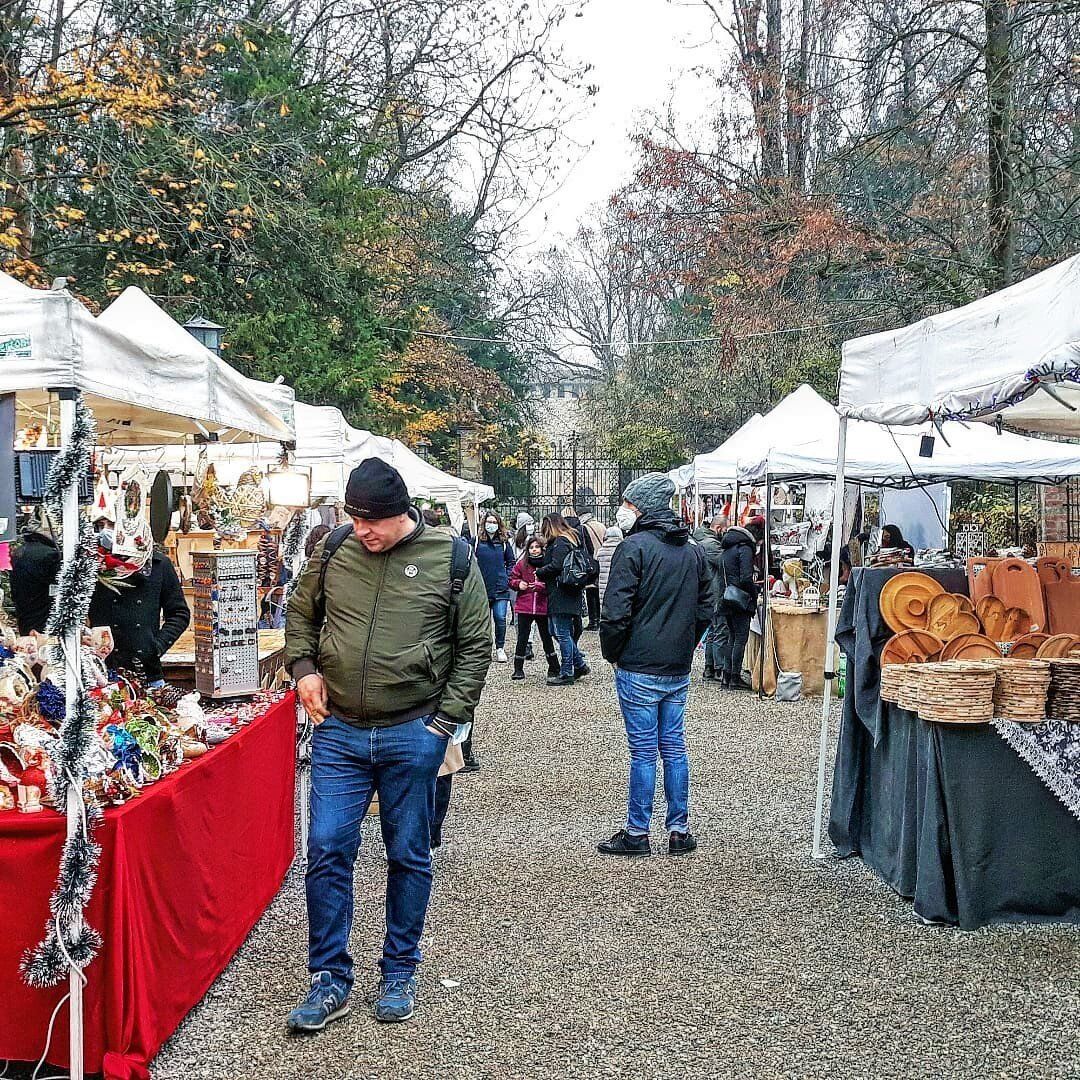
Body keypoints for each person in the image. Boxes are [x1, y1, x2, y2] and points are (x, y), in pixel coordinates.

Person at [283, 458, 490, 1032]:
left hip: (413, 730)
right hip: (340, 730)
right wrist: (304, 669)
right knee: (326, 848)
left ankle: (400, 970)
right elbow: (300, 615)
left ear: (401, 513)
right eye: (353, 518)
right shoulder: (334, 550)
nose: (361, 530)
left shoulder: (451, 557)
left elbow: (476, 645)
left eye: (370, 520)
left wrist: (444, 726)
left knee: (409, 854)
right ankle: (329, 978)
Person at [598, 473, 711, 857]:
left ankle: (637, 832)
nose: (624, 510)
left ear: (642, 507)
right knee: (674, 747)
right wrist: (687, 644)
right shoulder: (692, 550)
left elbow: (615, 612)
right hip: (675, 665)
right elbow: (706, 607)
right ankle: (679, 829)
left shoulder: (634, 548)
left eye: (629, 504)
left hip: (639, 664)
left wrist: (613, 652)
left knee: (644, 752)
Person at [87, 531, 190, 686]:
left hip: (147, 671)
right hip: (99, 672)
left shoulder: (158, 564)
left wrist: (156, 646)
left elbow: (179, 614)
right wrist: (84, 638)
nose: (106, 531)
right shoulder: (89, 566)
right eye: (101, 525)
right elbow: (73, 613)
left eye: (111, 525)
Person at [536, 513, 590, 686]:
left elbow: (557, 565)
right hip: (568, 591)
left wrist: (540, 572)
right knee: (557, 631)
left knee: (561, 632)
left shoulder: (560, 542)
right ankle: (579, 664)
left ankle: (567, 671)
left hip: (561, 592)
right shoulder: (571, 540)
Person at [718, 517, 764, 691]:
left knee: (732, 637)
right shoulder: (744, 548)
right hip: (740, 599)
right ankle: (735, 678)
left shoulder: (728, 547)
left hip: (727, 596)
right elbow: (745, 577)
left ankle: (727, 676)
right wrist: (754, 592)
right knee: (740, 638)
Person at [508, 535, 558, 680]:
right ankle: (518, 668)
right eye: (531, 547)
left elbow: (552, 584)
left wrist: (542, 587)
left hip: (542, 607)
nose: (534, 550)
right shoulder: (521, 564)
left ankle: (554, 666)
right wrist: (518, 584)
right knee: (522, 638)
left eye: (537, 547)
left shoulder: (548, 564)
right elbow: (511, 579)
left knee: (546, 638)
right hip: (525, 606)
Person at [9, 510, 61, 634]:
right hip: (44, 618)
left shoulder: (19, 551)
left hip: (24, 615)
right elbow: (58, 587)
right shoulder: (51, 554)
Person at [474, 510, 515, 664]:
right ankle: (483, 648)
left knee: (500, 618)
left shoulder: (504, 543)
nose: (491, 525)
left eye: (494, 522)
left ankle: (500, 647)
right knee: (482, 621)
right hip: (482, 587)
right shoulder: (476, 541)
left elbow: (511, 562)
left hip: (500, 587)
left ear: (499, 524)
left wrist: (507, 577)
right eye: (489, 522)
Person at [692, 514, 729, 683]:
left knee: (712, 632)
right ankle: (719, 668)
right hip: (715, 592)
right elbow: (724, 564)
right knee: (720, 629)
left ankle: (709, 667)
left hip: (707, 592)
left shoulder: (700, 540)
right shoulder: (712, 544)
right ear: (718, 528)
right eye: (725, 529)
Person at [579, 510, 606, 630]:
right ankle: (600, 619)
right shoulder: (601, 525)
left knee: (590, 591)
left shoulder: (584, 527)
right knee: (599, 591)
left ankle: (593, 621)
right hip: (602, 559)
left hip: (591, 561)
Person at [595, 525, 623, 607]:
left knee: (604, 605)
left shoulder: (601, 551)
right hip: (618, 584)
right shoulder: (623, 550)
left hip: (603, 586)